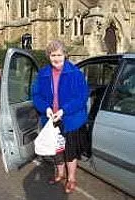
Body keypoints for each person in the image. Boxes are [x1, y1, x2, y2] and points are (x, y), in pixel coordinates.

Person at [32, 40, 89, 193]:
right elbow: (36, 95)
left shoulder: (75, 73)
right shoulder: (43, 74)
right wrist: (46, 108)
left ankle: (71, 178)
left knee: (69, 151)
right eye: (52, 55)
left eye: (59, 54)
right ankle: (60, 174)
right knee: (56, 150)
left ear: (65, 55)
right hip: (51, 119)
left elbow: (81, 97)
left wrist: (64, 110)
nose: (56, 58)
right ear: (48, 56)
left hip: (70, 119)